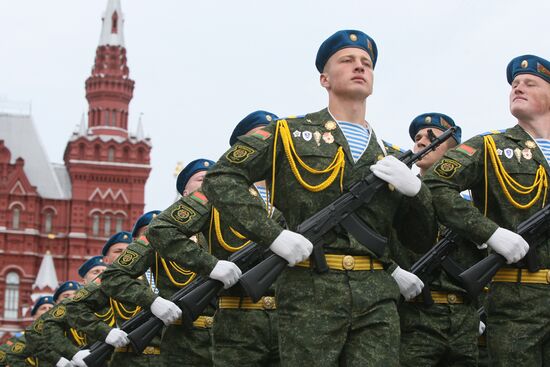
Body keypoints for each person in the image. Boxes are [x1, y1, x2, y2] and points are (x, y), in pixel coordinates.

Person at [202, 29, 436, 366]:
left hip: (376, 293)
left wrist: (417, 193)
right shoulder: (289, 133)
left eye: (367, 63)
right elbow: (221, 178)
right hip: (310, 287)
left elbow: (420, 238)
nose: (360, 67)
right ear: (325, 78)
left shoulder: (393, 156)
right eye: (347, 60)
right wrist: (275, 235)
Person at [423, 54, 550, 366]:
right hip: (519, 298)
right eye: (514, 84)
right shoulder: (490, 146)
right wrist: (489, 232)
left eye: (529, 83)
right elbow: (437, 185)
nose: (518, 87)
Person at [148, 110, 282, 366]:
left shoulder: (297, 192)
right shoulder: (215, 193)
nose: (268, 144)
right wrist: (212, 266)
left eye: (275, 138)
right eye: (260, 138)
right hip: (238, 323)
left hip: (291, 322)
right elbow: (160, 230)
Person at [101, 167, 218, 366]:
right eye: (201, 179)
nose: (209, 183)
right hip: (183, 344)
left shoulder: (227, 230)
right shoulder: (160, 234)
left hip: (229, 340)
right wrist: (153, 301)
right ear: (185, 193)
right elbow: (114, 276)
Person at [393, 113, 485, 366]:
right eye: (417, 137)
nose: (421, 142)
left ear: (454, 151)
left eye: (431, 137)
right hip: (414, 313)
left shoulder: (473, 210)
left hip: (464, 317)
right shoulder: (400, 198)